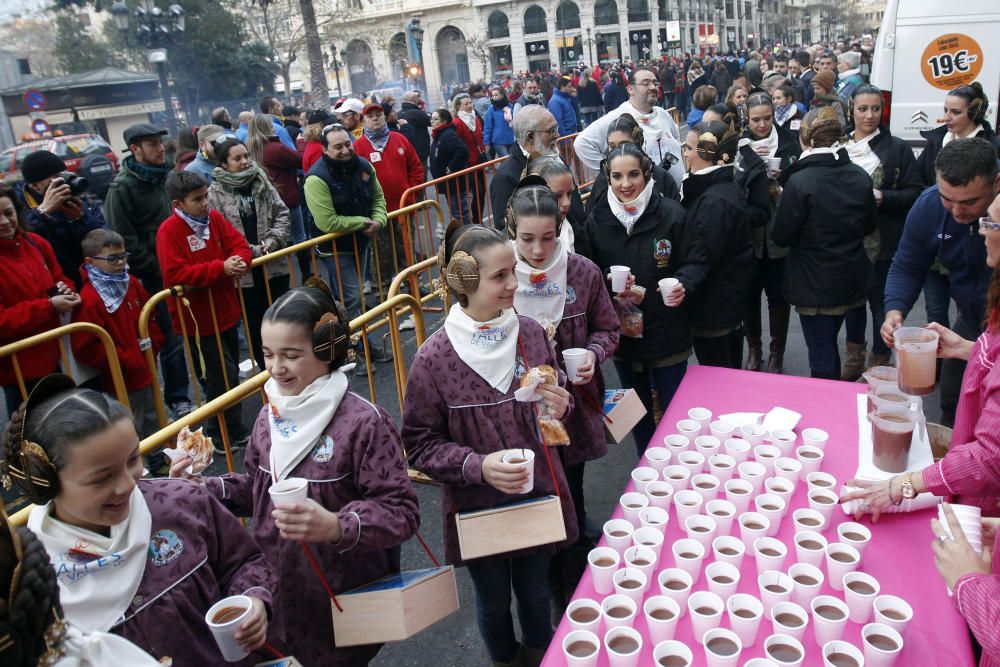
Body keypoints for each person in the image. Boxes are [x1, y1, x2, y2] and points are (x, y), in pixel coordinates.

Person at [171, 279, 420, 666]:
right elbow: (256, 489)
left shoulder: (363, 423)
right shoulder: (268, 415)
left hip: (342, 600)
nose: (275, 367)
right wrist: (205, 486)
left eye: (290, 354)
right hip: (277, 596)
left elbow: (402, 512)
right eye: (268, 354)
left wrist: (338, 526)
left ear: (327, 349)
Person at [1, 377, 277, 664]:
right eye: (102, 478)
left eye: (133, 459)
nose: (126, 484)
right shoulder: (28, 573)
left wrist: (254, 599)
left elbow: (243, 562)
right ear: (45, 482)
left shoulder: (182, 503)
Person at [402, 224, 577, 667]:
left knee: (537, 591)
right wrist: (476, 465)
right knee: (495, 600)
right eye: (500, 277)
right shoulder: (433, 358)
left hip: (536, 490)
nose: (514, 284)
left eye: (512, 272)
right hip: (478, 504)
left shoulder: (532, 334)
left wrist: (561, 403)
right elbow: (419, 445)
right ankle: (504, 659)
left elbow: (555, 408)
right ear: (463, 281)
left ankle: (540, 654)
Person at [505, 181, 619, 620]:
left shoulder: (583, 272)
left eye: (548, 238)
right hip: (515, 415)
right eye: (527, 239)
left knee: (571, 494)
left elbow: (607, 329)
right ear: (510, 230)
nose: (538, 250)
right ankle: (540, 585)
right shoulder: (498, 276)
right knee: (531, 498)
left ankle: (569, 596)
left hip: (573, 410)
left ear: (561, 229)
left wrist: (592, 353)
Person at [583, 143, 708, 453]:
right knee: (636, 413)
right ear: (607, 179)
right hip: (623, 335)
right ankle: (645, 467)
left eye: (633, 174)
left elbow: (697, 261)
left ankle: (678, 468)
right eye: (617, 176)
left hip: (668, 330)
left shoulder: (672, 214)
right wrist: (604, 283)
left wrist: (682, 283)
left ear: (647, 174)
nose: (626, 184)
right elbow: (586, 271)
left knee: (675, 414)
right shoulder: (597, 219)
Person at [882, 138, 999, 426]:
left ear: (997, 183)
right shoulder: (929, 206)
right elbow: (907, 265)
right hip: (970, 319)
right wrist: (895, 309)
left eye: (970, 202)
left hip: (996, 322)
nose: (958, 212)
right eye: (949, 200)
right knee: (955, 401)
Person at [771, 107, 878, 379]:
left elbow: (781, 236)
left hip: (814, 282)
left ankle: (827, 409)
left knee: (821, 354)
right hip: (851, 276)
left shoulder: (800, 182)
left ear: (805, 139)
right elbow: (869, 225)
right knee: (829, 346)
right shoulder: (858, 175)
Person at [158, 171, 253, 449]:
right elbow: (175, 272)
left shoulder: (214, 218)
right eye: (197, 199)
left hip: (225, 309)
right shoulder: (169, 231)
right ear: (178, 204)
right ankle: (221, 430)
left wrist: (238, 260)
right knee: (216, 376)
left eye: (205, 196)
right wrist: (219, 269)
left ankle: (230, 427)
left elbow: (238, 244)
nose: (204, 203)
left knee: (230, 371)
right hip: (197, 320)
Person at [104, 123, 191, 419]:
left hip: (184, 268)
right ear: (135, 149)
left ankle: (206, 385)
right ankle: (178, 397)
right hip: (155, 276)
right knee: (170, 339)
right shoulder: (122, 188)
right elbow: (123, 239)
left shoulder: (167, 176)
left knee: (193, 329)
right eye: (151, 144)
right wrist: (158, 267)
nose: (159, 148)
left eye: (159, 141)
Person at [840, 85, 923, 379]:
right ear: (852, 109)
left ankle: (879, 357)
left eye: (876, 108)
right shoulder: (841, 146)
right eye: (863, 109)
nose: (870, 115)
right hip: (847, 238)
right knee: (852, 301)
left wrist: (884, 196)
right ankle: (854, 354)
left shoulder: (897, 147)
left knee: (880, 303)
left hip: (884, 239)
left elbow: (916, 192)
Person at [303, 124, 390, 366]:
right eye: (338, 147)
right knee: (352, 299)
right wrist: (364, 222)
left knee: (357, 297)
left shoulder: (363, 165)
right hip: (334, 248)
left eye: (347, 144)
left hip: (360, 243)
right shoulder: (316, 178)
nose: (345, 150)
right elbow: (326, 220)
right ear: (325, 149)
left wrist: (380, 220)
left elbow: (377, 198)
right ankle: (359, 352)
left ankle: (361, 346)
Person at [206, 136, 290, 370]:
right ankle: (268, 373)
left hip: (274, 264)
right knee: (255, 325)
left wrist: (271, 242)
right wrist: (250, 251)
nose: (244, 162)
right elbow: (218, 232)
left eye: (246, 156)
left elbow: (282, 212)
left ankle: (290, 366)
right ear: (223, 163)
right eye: (237, 158)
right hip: (244, 274)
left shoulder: (262, 182)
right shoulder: (214, 193)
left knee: (282, 319)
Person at [71, 229, 164, 439]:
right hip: (120, 377)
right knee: (130, 424)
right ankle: (135, 468)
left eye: (123, 256)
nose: (121, 263)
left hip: (146, 364)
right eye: (113, 259)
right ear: (90, 261)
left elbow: (149, 315)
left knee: (154, 415)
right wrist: (124, 359)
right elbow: (85, 346)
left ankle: (159, 460)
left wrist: (154, 342)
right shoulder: (90, 299)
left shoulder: (129, 281)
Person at [0, 186, 79, 417]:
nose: (4, 221)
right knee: (30, 438)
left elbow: (60, 277)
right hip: (20, 369)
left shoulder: (35, 242)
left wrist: (67, 290)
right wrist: (48, 306)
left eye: (8, 212)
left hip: (60, 357)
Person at [736, 92, 800, 373]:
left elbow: (799, 180)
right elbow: (731, 186)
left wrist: (780, 180)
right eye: (756, 119)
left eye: (767, 118)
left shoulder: (789, 141)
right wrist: (751, 172)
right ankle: (754, 349)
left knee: (778, 296)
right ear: (746, 119)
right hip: (749, 233)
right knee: (749, 295)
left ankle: (777, 352)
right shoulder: (739, 146)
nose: (762, 125)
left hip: (778, 231)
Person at [681, 121, 753, 369]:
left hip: (713, 305)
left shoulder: (713, 201)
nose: (686, 153)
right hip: (725, 300)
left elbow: (702, 255)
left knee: (718, 373)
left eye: (690, 148)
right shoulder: (718, 189)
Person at [574, 65, 685, 189]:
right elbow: (582, 143)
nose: (653, 87)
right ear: (631, 89)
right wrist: (612, 172)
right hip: (646, 201)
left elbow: (676, 136)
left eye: (655, 83)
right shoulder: (618, 117)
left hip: (678, 196)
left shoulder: (663, 114)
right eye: (646, 83)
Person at [353, 103, 424, 291]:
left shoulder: (399, 139)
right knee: (380, 254)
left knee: (407, 249)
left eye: (379, 115)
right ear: (364, 121)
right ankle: (382, 292)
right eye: (370, 116)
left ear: (385, 117)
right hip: (378, 212)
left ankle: (413, 285)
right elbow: (355, 180)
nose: (375, 118)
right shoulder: (358, 146)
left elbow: (416, 168)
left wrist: (411, 193)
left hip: (403, 207)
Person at [16, 150, 106, 290]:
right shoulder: (18, 207)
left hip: (90, 280)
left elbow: (104, 241)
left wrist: (80, 219)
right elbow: (19, 241)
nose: (65, 183)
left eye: (64, 175)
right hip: (55, 286)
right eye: (56, 179)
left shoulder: (81, 199)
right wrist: (42, 212)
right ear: (35, 186)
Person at [490, 106, 586, 234]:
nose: (557, 135)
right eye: (551, 131)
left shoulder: (554, 157)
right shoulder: (505, 178)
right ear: (530, 137)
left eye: (556, 129)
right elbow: (507, 229)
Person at [247, 114, 309, 280]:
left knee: (280, 239)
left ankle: (285, 278)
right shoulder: (274, 148)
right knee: (299, 238)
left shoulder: (252, 148)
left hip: (268, 201)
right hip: (286, 197)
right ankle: (307, 276)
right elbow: (300, 159)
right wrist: (301, 142)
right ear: (267, 128)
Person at [585, 113, 680, 221]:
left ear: (639, 142)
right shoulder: (603, 179)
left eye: (625, 144)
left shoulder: (662, 177)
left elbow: (675, 217)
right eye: (612, 146)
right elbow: (592, 220)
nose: (618, 150)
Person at [915, 83, 1000, 187]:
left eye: (956, 112)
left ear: (975, 113)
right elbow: (917, 182)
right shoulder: (936, 142)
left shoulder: (994, 146)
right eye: (946, 110)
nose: (947, 117)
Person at [451, 94, 489, 226]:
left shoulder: (476, 118)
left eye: (470, 103)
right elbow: (456, 144)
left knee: (482, 192)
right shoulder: (457, 122)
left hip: (479, 161)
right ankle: (475, 222)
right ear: (458, 107)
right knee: (477, 192)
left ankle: (477, 220)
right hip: (467, 164)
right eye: (465, 104)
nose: (469, 106)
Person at [430, 109, 472, 226]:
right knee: (457, 213)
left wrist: (451, 168)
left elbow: (462, 151)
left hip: (454, 183)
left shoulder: (447, 135)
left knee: (461, 214)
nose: (432, 121)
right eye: (431, 119)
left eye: (435, 119)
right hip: (448, 183)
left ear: (444, 121)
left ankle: (468, 238)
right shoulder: (440, 134)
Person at [399, 90, 432, 169]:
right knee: (422, 177)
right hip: (420, 152)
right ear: (413, 99)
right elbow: (431, 121)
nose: (419, 99)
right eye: (417, 97)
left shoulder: (399, 113)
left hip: (406, 151)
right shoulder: (417, 113)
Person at [483, 87, 515, 158]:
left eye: (496, 95)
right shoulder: (491, 109)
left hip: (511, 139)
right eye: (493, 95)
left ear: (502, 95)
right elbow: (487, 127)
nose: (494, 97)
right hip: (498, 141)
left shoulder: (510, 106)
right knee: (506, 161)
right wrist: (486, 142)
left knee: (513, 161)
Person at [301, 109, 332, 173]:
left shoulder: (313, 143)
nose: (330, 126)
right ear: (320, 127)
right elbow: (324, 172)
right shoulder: (319, 148)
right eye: (327, 124)